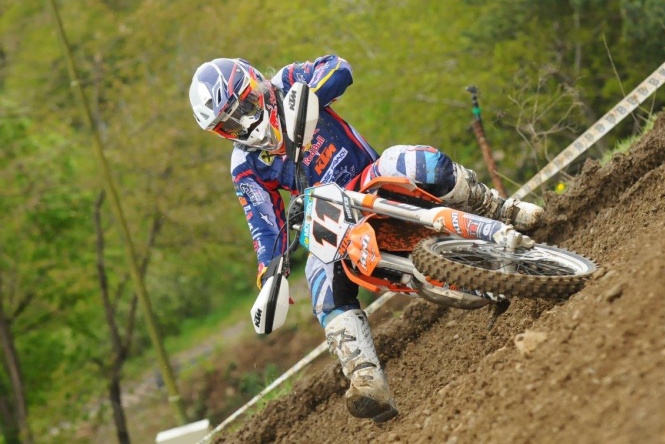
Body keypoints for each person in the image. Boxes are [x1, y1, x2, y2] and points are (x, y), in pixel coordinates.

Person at [189, 55, 542, 423]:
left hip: (373, 179)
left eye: (242, 107)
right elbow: (263, 224)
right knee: (318, 273)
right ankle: (366, 379)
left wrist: (310, 94)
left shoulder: (288, 83)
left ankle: (500, 207)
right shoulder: (245, 165)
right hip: (333, 215)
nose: (242, 123)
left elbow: (339, 68)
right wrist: (270, 276)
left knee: (413, 161)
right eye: (227, 125)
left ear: (255, 85)